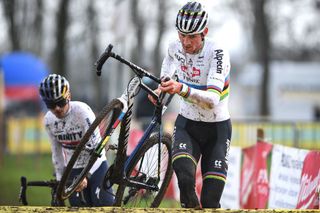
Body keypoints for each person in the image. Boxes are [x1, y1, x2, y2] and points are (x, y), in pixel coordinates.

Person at [149, 1, 232, 208]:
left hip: (217, 130)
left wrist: (180, 89)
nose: (186, 42)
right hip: (188, 125)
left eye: (192, 36)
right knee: (185, 181)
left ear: (204, 32)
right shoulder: (173, 48)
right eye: (181, 35)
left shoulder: (217, 52)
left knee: (210, 201)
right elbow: (167, 71)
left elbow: (212, 99)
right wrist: (162, 88)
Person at [39, 74, 114, 206]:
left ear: (69, 96)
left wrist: (87, 175)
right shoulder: (48, 120)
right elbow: (56, 152)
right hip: (72, 169)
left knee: (106, 207)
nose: (57, 108)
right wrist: (60, 181)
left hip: (96, 167)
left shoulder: (82, 112)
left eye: (60, 102)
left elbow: (98, 148)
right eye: (51, 105)